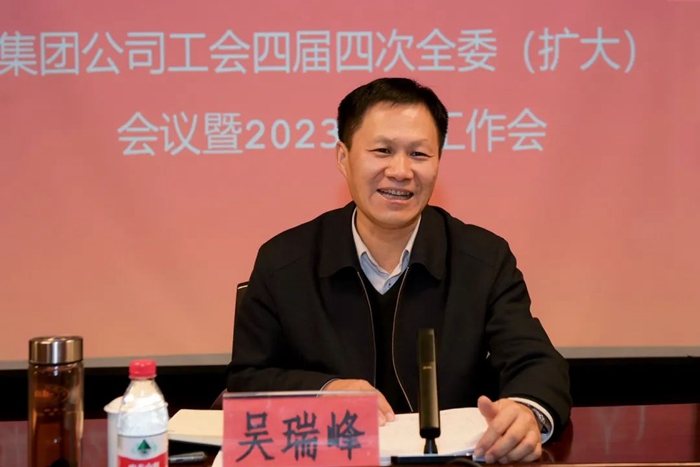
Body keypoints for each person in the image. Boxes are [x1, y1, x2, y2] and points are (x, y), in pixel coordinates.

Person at [226, 77, 572, 463]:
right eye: (383, 151)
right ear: (343, 157)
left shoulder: (483, 260)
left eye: (419, 154)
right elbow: (247, 381)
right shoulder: (284, 262)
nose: (401, 171)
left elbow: (535, 361)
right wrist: (324, 391)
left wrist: (527, 413)